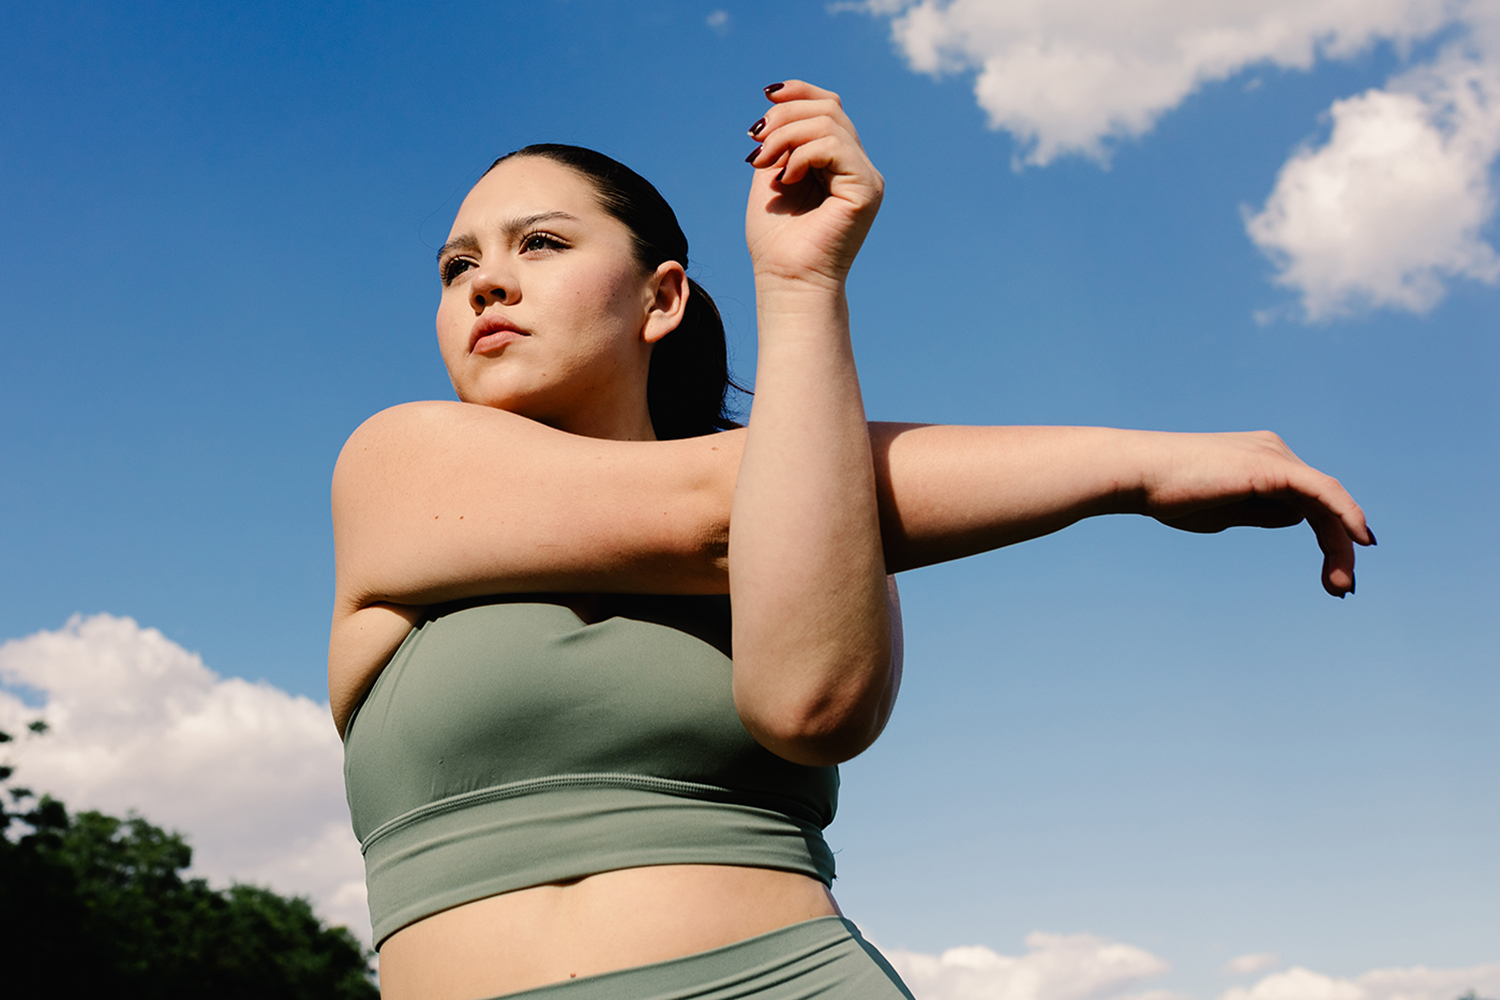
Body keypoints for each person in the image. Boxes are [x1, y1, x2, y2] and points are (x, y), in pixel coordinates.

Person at [329, 81, 1372, 1000]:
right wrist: (1137, 466)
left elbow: (812, 705)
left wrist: (802, 284)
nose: (484, 281)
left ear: (664, 299)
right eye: (456, 263)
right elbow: (707, 512)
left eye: (541, 243)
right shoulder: (397, 463)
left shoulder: (816, 504)